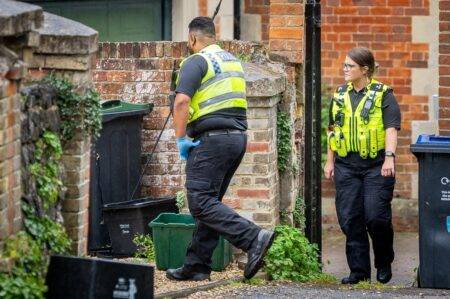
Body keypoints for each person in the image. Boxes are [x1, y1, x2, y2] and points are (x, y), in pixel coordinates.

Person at [166, 16, 275, 281]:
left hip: (211, 141)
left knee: (200, 203)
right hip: (236, 139)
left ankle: (253, 237)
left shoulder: (196, 61)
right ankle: (197, 265)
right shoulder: (231, 61)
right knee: (210, 202)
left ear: (192, 38)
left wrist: (180, 139)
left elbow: (181, 103)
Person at [323, 47, 401, 284]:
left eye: (350, 66)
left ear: (364, 69)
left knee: (376, 217)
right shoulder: (339, 95)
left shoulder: (383, 95)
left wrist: (390, 157)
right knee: (350, 219)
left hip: (377, 165)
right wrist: (329, 160)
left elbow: (391, 128)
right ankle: (359, 271)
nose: (344, 69)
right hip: (347, 165)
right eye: (344, 65)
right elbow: (333, 130)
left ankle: (384, 261)